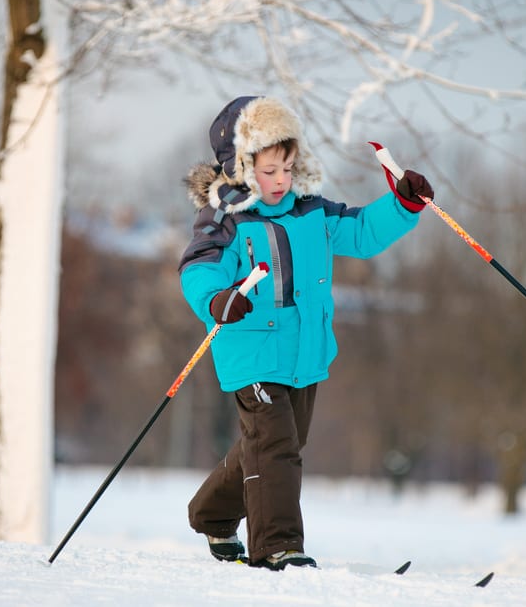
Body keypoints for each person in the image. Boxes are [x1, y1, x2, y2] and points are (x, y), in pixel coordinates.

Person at [178, 95, 433, 571]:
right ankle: (278, 546)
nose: (281, 181)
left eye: (288, 169)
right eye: (269, 170)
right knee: (275, 448)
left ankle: (212, 513)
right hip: (251, 349)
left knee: (278, 444)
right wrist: (217, 299)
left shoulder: (311, 211)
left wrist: (402, 205)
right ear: (242, 165)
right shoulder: (226, 217)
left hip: (306, 354)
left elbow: (359, 232)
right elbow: (199, 266)